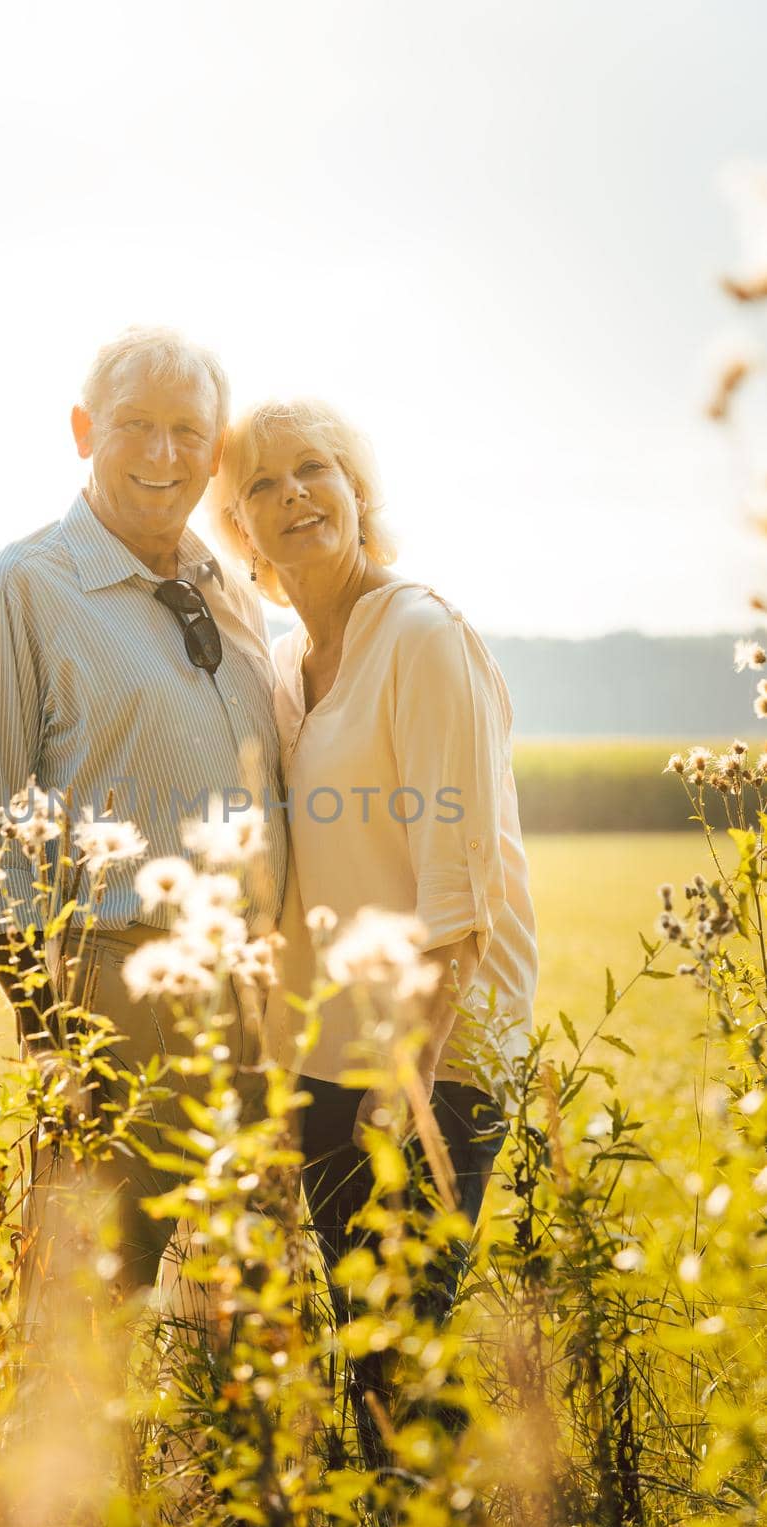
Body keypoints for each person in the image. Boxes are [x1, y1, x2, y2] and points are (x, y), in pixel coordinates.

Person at [0, 328, 288, 1335]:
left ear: (217, 449)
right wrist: (68, 1055)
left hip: (259, 1010)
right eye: (136, 425)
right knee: (82, 1332)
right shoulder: (20, 591)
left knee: (249, 1344)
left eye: (190, 431)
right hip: (113, 1000)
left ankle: (208, 1498)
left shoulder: (233, 589)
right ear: (85, 430)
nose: (163, 454)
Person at [210, 398, 537, 1462]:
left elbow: (462, 896)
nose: (293, 494)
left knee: (406, 1358)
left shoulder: (420, 635)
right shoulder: (284, 666)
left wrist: (409, 1101)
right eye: (261, 484)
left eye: (316, 469)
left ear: (358, 494)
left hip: (435, 1063)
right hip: (327, 1062)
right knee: (373, 1359)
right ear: (240, 529)